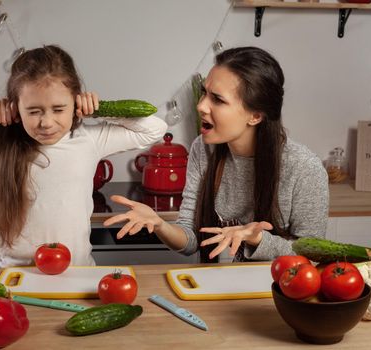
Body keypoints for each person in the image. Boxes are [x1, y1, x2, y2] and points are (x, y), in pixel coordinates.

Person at [0, 45, 167, 267]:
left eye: (59, 109)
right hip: (16, 271)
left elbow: (155, 129)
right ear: (15, 109)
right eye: (33, 111)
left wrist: (101, 108)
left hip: (77, 269)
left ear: (75, 104)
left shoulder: (89, 139)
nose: (46, 122)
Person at [104, 46, 328, 263]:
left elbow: (312, 256)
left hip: (276, 292)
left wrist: (259, 239)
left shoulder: (304, 168)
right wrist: (160, 224)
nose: (201, 106)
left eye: (218, 100)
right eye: (204, 93)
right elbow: (191, 240)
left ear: (256, 116)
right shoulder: (202, 149)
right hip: (216, 290)